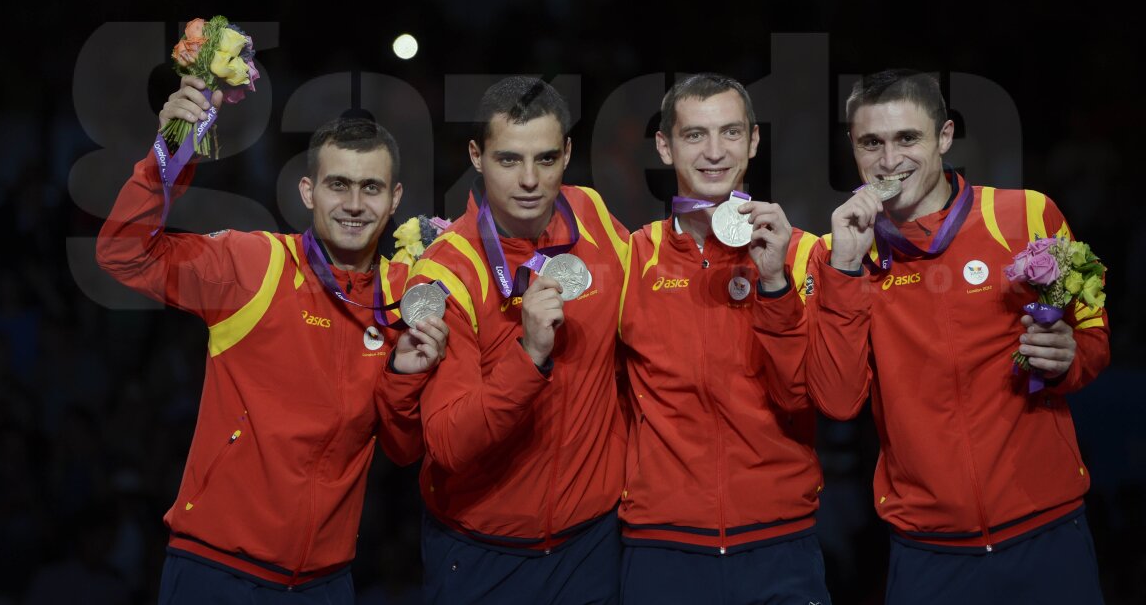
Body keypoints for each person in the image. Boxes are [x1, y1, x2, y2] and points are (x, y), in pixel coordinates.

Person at [96, 76, 448, 603]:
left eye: (371, 188)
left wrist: (401, 375)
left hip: (325, 583)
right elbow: (124, 255)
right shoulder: (255, 265)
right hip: (218, 570)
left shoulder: (406, 297)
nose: (354, 204)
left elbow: (402, 449)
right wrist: (169, 152)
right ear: (308, 192)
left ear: (395, 197)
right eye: (337, 185)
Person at [807, 69, 1109, 604]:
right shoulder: (840, 253)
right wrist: (846, 271)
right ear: (852, 147)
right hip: (928, 550)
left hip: (1048, 530)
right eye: (871, 143)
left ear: (944, 136)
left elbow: (1093, 338)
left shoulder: (1025, 214)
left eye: (908, 138)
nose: (889, 160)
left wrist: (1069, 358)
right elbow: (837, 399)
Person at [379, 77, 629, 604]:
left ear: (567, 153)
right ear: (477, 156)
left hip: (592, 547)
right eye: (509, 160)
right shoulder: (447, 272)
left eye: (546, 159)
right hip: (481, 554)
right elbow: (447, 443)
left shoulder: (593, 215)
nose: (530, 180)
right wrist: (530, 355)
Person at [616, 74, 831, 604]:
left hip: (779, 538)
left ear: (753, 141)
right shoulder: (630, 259)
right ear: (665, 146)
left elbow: (806, 395)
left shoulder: (805, 254)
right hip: (662, 543)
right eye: (694, 135)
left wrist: (775, 283)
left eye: (731, 133)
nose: (714, 152)